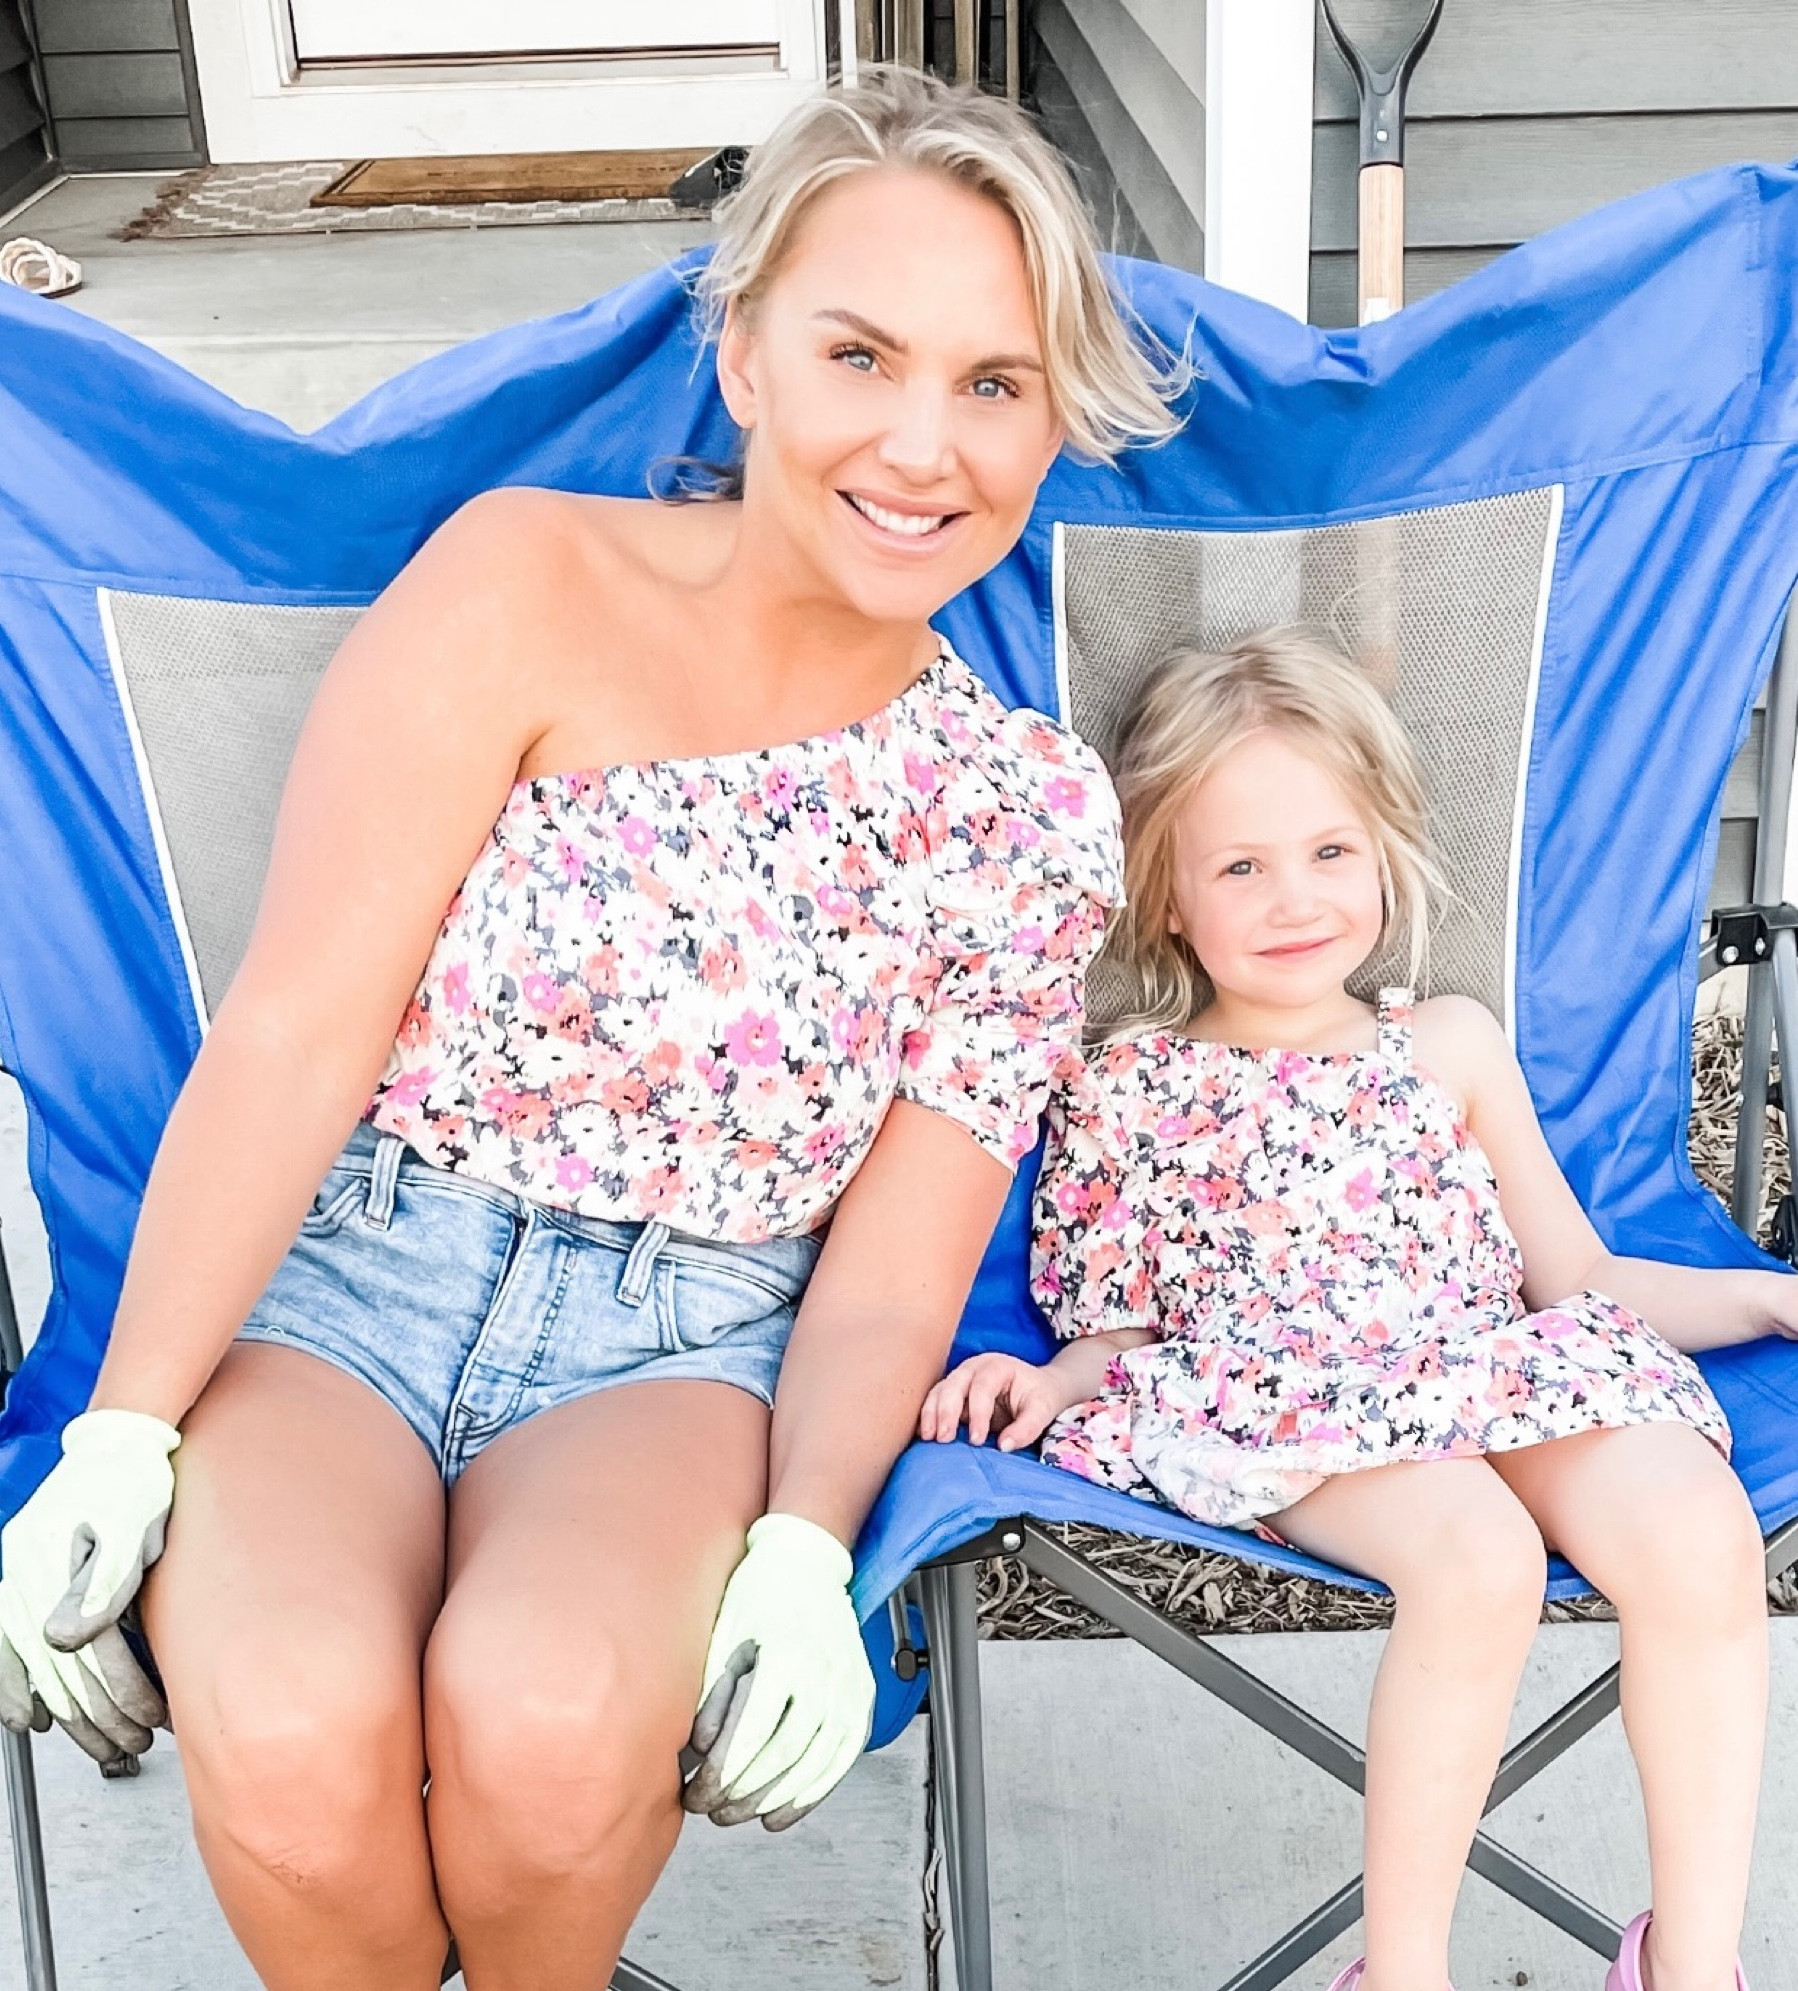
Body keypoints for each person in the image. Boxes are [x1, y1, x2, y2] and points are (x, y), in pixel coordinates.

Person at [0, 68, 1180, 1990]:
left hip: (682, 1337)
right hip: (350, 1279)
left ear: (1055, 421)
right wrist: (126, 1430)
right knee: (293, 1734)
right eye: (858, 354)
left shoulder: (1023, 811)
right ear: (740, 355)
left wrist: (806, 1546)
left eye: (994, 383)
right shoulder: (521, 580)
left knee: (546, 1735)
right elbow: (300, 1025)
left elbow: (896, 1255)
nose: (919, 443)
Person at [921, 630, 1785, 1991]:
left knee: (1694, 1531)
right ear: (1166, 904)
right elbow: (1120, 1320)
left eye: (1328, 851)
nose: (1293, 899)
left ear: (1381, 851)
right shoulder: (1126, 1084)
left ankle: (1690, 1964)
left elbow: (1580, 1282)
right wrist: (1046, 1382)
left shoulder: (1446, 1043)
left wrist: (1762, 1295)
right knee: (1477, 1558)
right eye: (1239, 867)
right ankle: (1401, 1971)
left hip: (1495, 1365)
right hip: (1289, 1396)